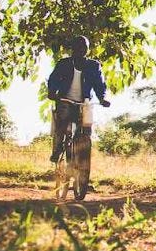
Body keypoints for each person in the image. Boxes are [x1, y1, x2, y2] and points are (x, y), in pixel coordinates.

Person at [46, 35, 110, 163]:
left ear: (87, 50)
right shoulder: (63, 64)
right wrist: (52, 92)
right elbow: (53, 79)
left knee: (86, 131)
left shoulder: (94, 66)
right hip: (65, 100)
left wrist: (102, 98)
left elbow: (100, 85)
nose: (81, 50)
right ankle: (58, 149)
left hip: (84, 103)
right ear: (73, 49)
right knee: (62, 122)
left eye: (84, 48)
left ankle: (83, 175)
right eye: (78, 47)